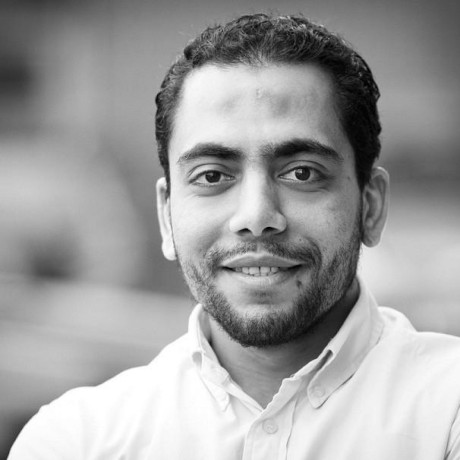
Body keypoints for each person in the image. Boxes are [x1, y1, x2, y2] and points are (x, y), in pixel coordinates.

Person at [9, 13, 460, 460]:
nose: (257, 216)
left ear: (371, 206)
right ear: (166, 215)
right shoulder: (77, 440)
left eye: (302, 173)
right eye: (212, 176)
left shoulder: (447, 411)